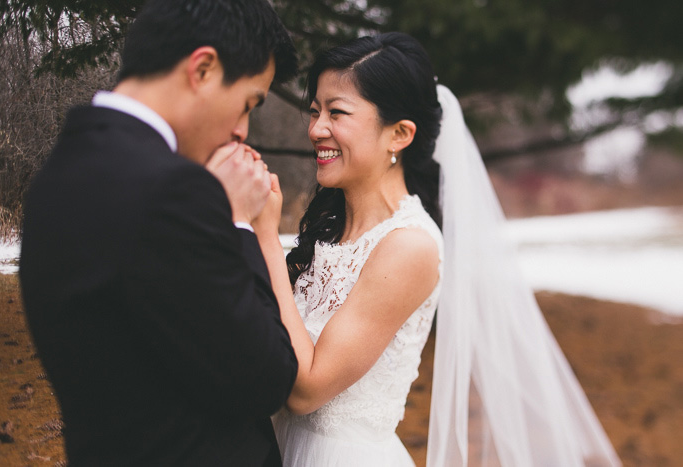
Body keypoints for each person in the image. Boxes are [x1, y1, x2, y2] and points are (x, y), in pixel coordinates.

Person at [251, 32, 622, 466]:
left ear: (400, 134)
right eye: (314, 111)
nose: (316, 129)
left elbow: (308, 389)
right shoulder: (328, 229)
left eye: (337, 112)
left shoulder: (409, 246)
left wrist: (265, 237)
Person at [19, 1, 298, 465]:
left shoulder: (57, 175)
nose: (242, 131)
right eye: (247, 103)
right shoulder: (174, 192)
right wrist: (237, 221)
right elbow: (266, 378)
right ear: (203, 69)